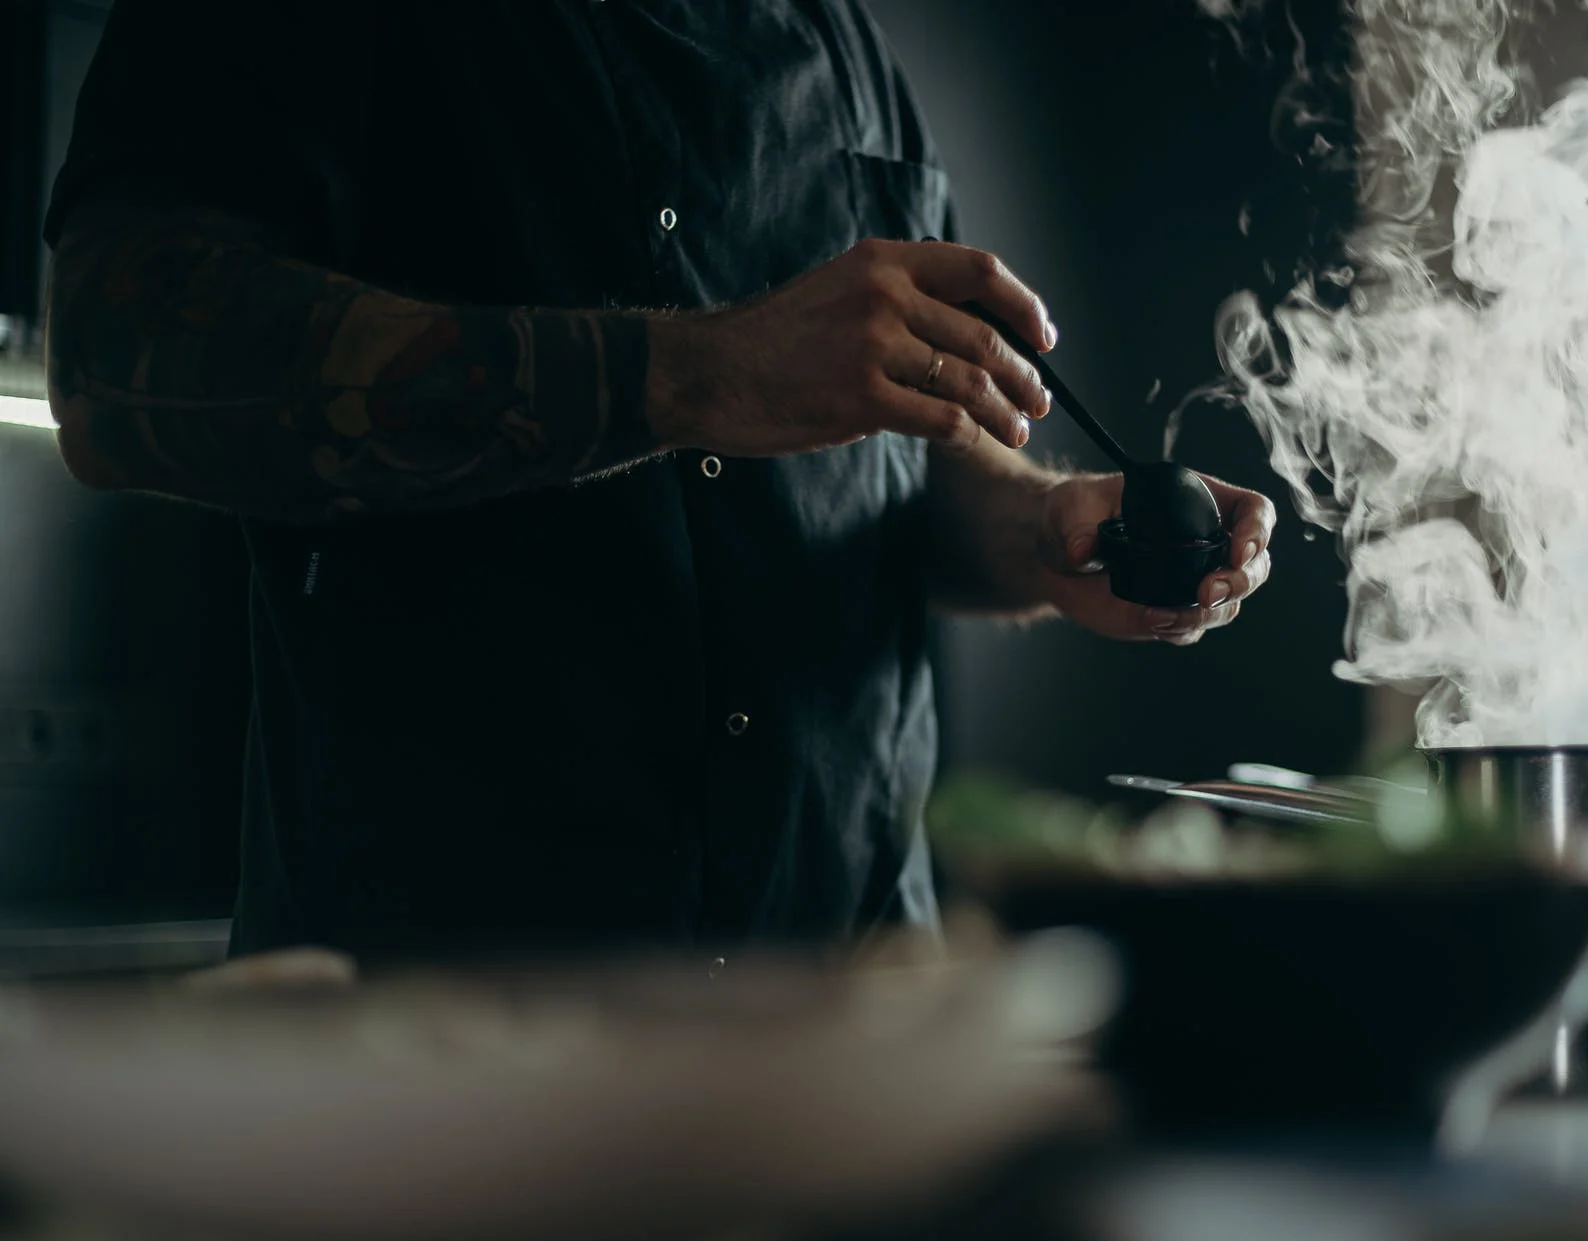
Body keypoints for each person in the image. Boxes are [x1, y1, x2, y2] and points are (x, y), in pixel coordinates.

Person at [42, 0, 1275, 967]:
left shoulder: (842, 44)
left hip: (845, 1024)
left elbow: (898, 475)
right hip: (439, 1059)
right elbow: (119, 371)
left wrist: (1041, 529)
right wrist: (699, 371)